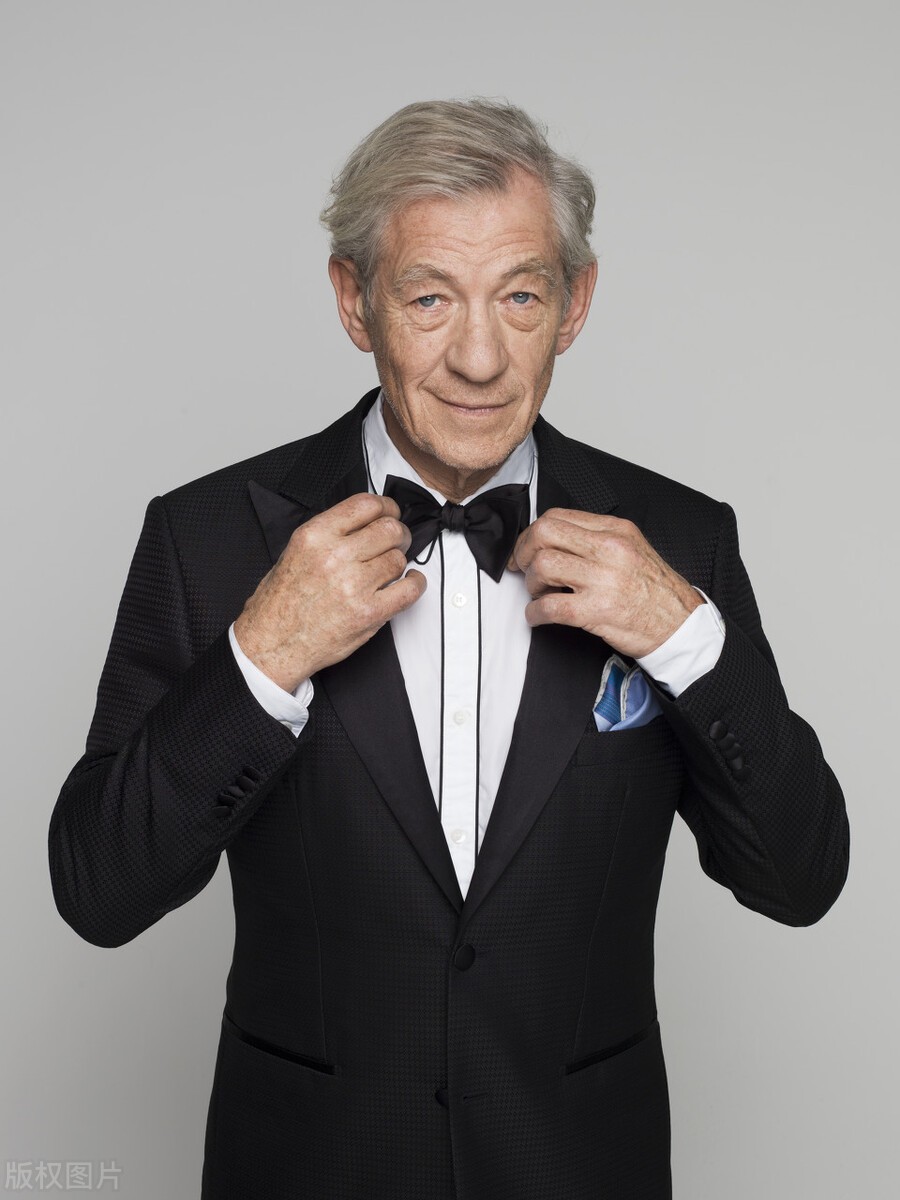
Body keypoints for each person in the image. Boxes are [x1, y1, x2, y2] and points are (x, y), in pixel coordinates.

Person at [48, 99, 849, 1200]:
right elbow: (98, 890)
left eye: (521, 296)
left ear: (575, 303)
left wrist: (688, 640)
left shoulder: (681, 539)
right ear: (354, 300)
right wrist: (262, 654)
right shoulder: (207, 538)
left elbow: (802, 879)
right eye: (430, 298)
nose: (479, 358)